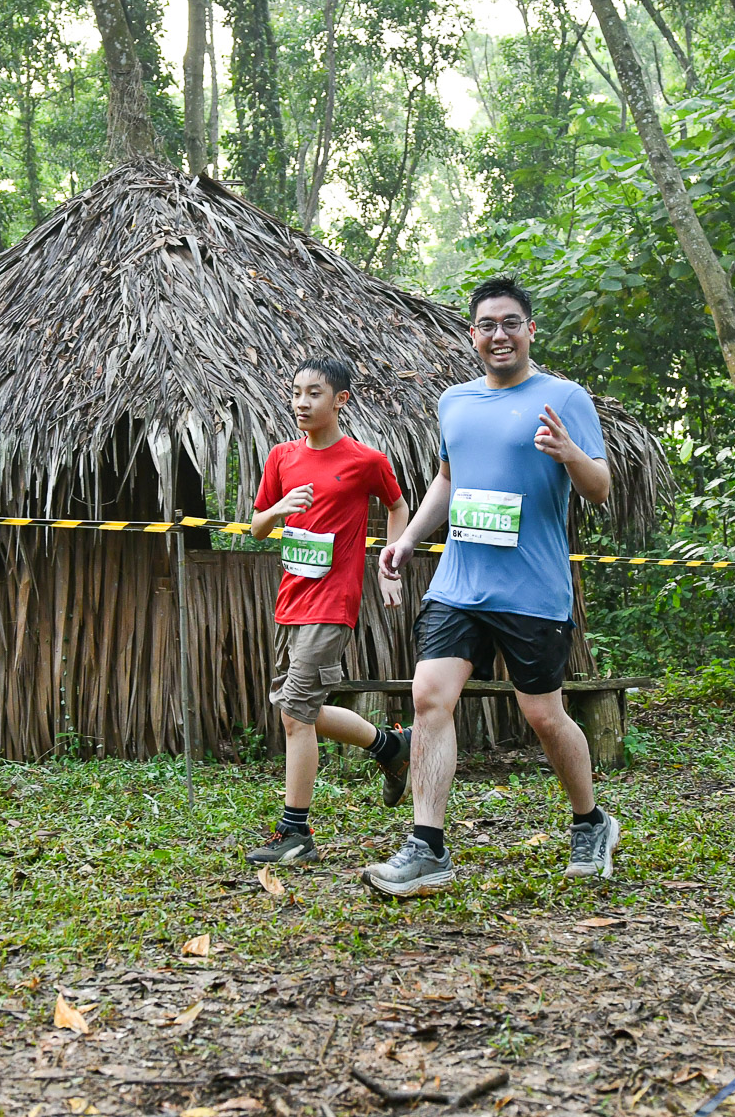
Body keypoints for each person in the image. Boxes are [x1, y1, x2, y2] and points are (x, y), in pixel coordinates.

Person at [367, 277, 616, 896]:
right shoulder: (454, 402)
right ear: (472, 334)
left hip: (532, 588)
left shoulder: (564, 397)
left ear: (529, 330)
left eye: (510, 323)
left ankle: (591, 822)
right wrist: (409, 539)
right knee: (430, 697)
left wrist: (569, 454)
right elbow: (448, 481)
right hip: (459, 582)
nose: (498, 334)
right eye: (486, 324)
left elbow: (600, 488)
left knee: (543, 715)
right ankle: (428, 847)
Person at [245, 358, 413, 865]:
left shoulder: (366, 460)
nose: (301, 402)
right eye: (296, 392)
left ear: (340, 400)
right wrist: (278, 510)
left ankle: (296, 832)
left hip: (333, 600)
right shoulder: (281, 457)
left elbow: (398, 505)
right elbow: (256, 527)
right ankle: (390, 747)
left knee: (295, 716)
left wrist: (389, 564)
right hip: (290, 599)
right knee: (297, 709)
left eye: (313, 393)